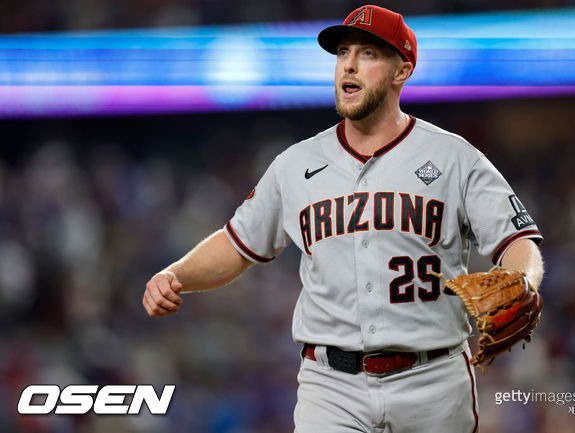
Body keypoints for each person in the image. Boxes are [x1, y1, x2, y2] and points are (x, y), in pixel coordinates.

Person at [143, 5, 544, 432]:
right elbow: (238, 243)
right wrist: (175, 274)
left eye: (368, 54)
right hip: (331, 386)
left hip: (434, 381)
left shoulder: (454, 157)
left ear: (401, 71)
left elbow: (518, 242)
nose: (349, 64)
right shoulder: (295, 164)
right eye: (343, 53)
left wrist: (523, 281)